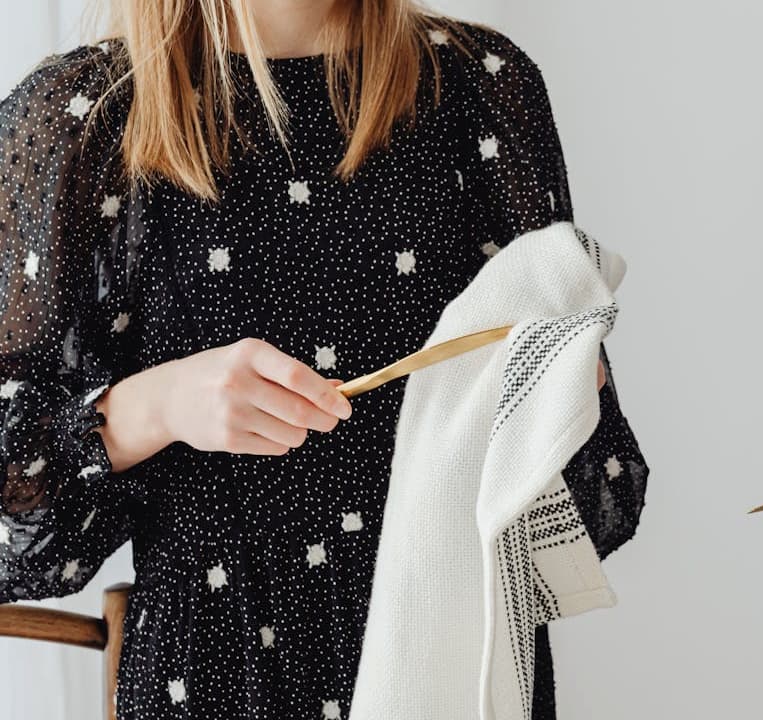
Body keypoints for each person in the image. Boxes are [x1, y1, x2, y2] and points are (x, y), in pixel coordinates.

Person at [0, 1, 648, 718]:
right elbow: (13, 523)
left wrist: (558, 406)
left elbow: (592, 504)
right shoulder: (80, 117)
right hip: (215, 679)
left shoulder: (479, 87)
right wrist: (158, 405)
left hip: (460, 671)